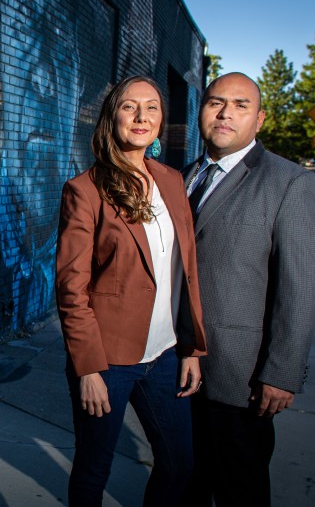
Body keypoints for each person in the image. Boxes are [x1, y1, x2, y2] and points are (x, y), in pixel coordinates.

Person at [56, 76, 207, 507]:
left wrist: (192, 348)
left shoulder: (173, 181)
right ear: (112, 116)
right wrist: (88, 369)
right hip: (107, 360)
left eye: (152, 107)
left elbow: (186, 270)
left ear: (162, 119)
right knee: (93, 469)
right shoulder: (84, 191)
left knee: (180, 463)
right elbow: (72, 287)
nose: (142, 116)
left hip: (164, 354)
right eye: (129, 106)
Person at [181, 72, 315, 506]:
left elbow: (302, 286)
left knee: (239, 488)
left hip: (238, 378)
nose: (226, 113)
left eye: (241, 105)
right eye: (215, 102)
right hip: (176, 366)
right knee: (184, 479)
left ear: (259, 119)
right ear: (201, 111)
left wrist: (281, 372)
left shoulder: (290, 183)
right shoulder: (182, 176)